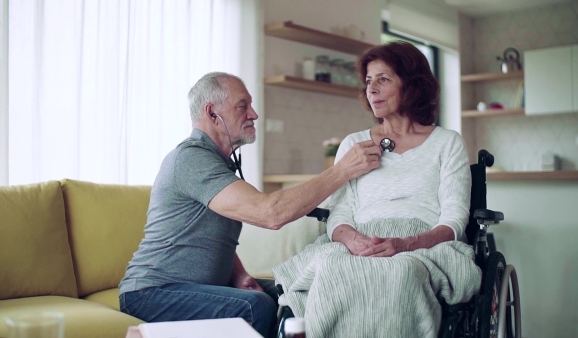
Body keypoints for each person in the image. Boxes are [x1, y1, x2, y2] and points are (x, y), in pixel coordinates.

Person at [118, 72, 382, 338]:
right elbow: (270, 213)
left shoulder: (217, 163)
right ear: (212, 114)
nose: (254, 114)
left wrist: (240, 274)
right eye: (243, 105)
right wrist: (342, 170)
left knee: (299, 289)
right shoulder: (190, 159)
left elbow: (207, 233)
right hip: (152, 292)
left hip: (201, 287)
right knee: (255, 306)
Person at [273, 42, 482, 338]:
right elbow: (340, 213)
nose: (372, 89)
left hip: (420, 243)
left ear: (411, 84)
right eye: (369, 81)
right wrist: (353, 240)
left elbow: (454, 219)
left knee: (402, 273)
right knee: (331, 267)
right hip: (361, 239)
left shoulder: (446, 143)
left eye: (383, 79)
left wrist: (405, 244)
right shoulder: (354, 144)